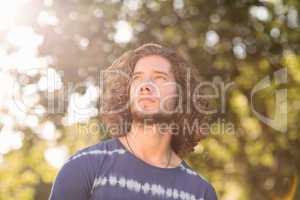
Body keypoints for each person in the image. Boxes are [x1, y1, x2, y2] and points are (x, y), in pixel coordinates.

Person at [49, 43, 218, 200]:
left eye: (160, 78)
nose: (145, 85)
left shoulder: (201, 193)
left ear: (181, 95)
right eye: (137, 78)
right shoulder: (83, 166)